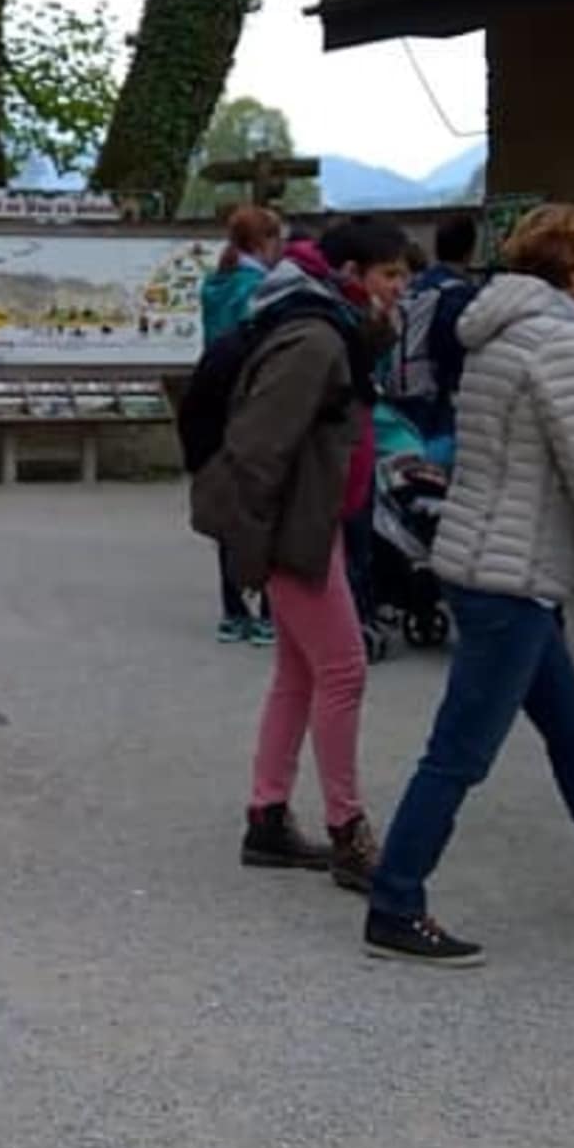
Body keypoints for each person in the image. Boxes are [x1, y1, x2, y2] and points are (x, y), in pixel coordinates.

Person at [363, 204, 574, 965]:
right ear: (573, 270)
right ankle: (394, 904)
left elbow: (521, 459)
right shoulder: (559, 339)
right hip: (509, 579)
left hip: (496, 561)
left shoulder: (501, 328)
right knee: (460, 752)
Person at [191, 218, 412, 889]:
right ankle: (348, 832)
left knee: (300, 674)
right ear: (350, 275)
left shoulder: (327, 323)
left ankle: (268, 816)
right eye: (390, 275)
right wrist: (254, 550)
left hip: (314, 525)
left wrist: (379, 328)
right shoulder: (314, 338)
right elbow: (259, 448)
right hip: (298, 532)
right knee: (343, 671)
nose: (401, 287)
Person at [199, 204, 286, 646]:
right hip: (252, 400)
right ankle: (269, 610)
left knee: (228, 505)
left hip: (216, 399)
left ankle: (233, 610)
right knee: (266, 503)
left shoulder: (215, 284)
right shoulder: (262, 289)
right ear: (264, 241)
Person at [387, 214, 483, 473]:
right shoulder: (459, 294)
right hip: (435, 387)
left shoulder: (417, 285)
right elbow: (453, 346)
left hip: (404, 378)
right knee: (436, 454)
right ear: (470, 250)